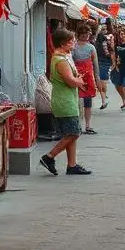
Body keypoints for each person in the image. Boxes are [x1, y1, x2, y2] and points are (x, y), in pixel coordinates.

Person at [40, 28, 93, 176]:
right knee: (74, 133)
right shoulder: (60, 60)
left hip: (67, 100)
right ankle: (49, 157)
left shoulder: (62, 57)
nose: (74, 43)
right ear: (63, 43)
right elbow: (70, 81)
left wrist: (77, 79)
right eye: (71, 41)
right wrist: (79, 81)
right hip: (64, 102)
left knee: (70, 133)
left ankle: (72, 165)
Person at [71, 23, 99, 135]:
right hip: (78, 75)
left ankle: (85, 125)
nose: (86, 36)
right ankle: (82, 125)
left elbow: (95, 64)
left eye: (87, 34)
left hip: (84, 75)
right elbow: (95, 64)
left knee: (84, 101)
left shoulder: (84, 47)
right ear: (79, 34)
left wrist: (97, 78)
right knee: (81, 101)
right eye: (84, 34)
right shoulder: (85, 47)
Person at [94, 22, 113, 109]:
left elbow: (111, 52)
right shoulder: (99, 40)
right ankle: (104, 99)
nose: (104, 31)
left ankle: (104, 98)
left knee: (102, 82)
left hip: (104, 62)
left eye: (105, 29)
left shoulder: (108, 39)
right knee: (101, 81)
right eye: (102, 29)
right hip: (100, 62)